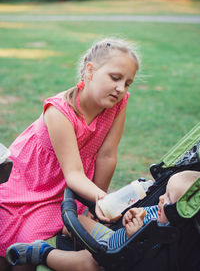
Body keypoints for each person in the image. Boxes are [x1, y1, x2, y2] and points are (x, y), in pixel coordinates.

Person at [0, 38, 140, 271]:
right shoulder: (59, 112)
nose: (121, 88)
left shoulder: (118, 103)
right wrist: (105, 201)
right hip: (29, 182)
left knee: (32, 239)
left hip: (66, 189)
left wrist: (95, 205)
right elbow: (73, 173)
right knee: (12, 241)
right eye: (115, 78)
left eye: (128, 83)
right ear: (90, 70)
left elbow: (106, 156)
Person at [5, 170, 200, 269]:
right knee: (77, 222)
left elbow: (143, 260)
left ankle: (43, 252)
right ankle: (72, 244)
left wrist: (135, 236)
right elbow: (140, 213)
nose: (160, 198)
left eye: (167, 199)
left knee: (88, 264)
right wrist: (132, 214)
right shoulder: (159, 211)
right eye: (163, 193)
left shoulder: (169, 240)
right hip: (112, 238)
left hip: (114, 260)